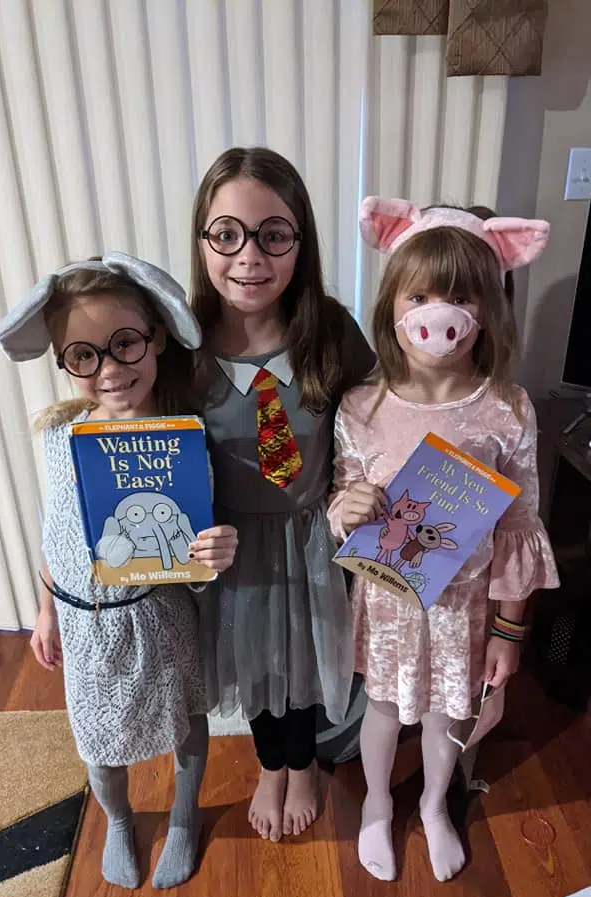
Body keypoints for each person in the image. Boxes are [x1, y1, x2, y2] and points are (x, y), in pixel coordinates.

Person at [328, 198, 559, 882]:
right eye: (421, 295)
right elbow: (342, 494)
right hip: (388, 602)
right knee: (382, 708)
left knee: (443, 716)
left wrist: (510, 633)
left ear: (487, 309)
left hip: (465, 609)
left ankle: (433, 805)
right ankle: (377, 803)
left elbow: (519, 526)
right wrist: (346, 508)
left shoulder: (507, 409)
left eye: (460, 297)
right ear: (393, 305)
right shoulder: (361, 407)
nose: (439, 314)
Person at [0, 254, 238, 889]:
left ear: (155, 338)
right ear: (64, 361)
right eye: (83, 355)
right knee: (96, 742)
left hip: (159, 616)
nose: (108, 369)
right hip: (84, 626)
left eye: (124, 343)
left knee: (184, 715)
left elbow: (191, 549)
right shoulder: (60, 438)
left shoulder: (184, 439)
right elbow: (54, 532)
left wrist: (212, 554)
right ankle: (119, 819)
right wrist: (46, 610)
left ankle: (183, 815)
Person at [190, 147, 375, 842]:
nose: (250, 257)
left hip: (314, 536)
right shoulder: (182, 344)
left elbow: (375, 427)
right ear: (203, 240)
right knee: (259, 667)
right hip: (234, 545)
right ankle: (273, 766)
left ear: (301, 242)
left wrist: (354, 492)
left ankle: (305, 765)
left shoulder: (330, 329)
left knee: (306, 660)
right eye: (227, 235)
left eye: (273, 235)